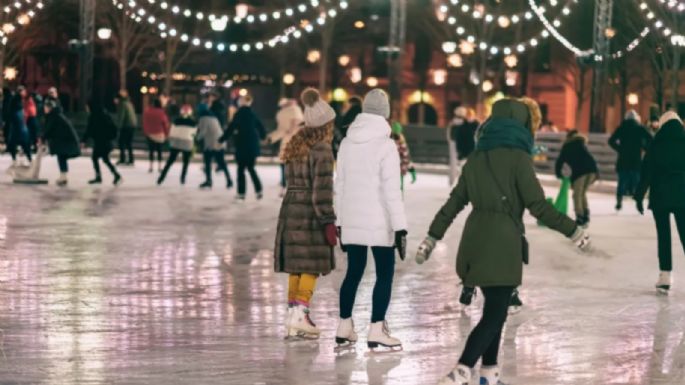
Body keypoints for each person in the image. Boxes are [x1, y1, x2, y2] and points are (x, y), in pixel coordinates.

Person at [414, 98, 591, 385]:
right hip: (503, 244)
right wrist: (574, 231)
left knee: (494, 309)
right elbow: (539, 206)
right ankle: (461, 371)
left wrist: (432, 237)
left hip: (474, 243)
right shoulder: (519, 159)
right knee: (495, 316)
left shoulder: (476, 158)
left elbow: (454, 203)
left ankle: (489, 373)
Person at [334, 89, 408, 353]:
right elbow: (392, 190)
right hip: (380, 223)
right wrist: (400, 227)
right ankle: (376, 329)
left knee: (353, 272)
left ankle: (344, 326)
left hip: (352, 219)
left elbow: (339, 186)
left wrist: (340, 222)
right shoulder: (385, 145)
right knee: (384, 274)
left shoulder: (346, 142)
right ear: (385, 114)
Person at [274, 88, 337, 340]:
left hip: (291, 209)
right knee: (310, 266)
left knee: (296, 267)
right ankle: (301, 313)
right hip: (310, 213)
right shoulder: (322, 150)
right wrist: (328, 221)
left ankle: (293, 316)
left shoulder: (297, 144)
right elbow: (321, 191)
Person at [634, 111, 685, 295]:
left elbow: (646, 172)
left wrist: (639, 196)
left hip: (660, 196)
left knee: (664, 236)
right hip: (682, 196)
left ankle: (665, 277)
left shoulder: (655, 144)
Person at [221, 94, 266, 200]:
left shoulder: (238, 114)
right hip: (252, 145)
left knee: (241, 170)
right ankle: (259, 190)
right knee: (251, 168)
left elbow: (231, 128)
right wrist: (263, 137)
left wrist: (222, 139)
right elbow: (261, 127)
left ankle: (241, 193)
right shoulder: (253, 114)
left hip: (241, 145)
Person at [609, 110, 652, 211]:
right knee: (637, 183)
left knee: (621, 182)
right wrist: (644, 147)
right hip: (636, 160)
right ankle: (638, 203)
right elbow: (651, 139)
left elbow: (611, 141)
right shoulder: (640, 128)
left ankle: (619, 202)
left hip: (623, 160)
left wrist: (619, 149)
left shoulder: (621, 128)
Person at [555, 130, 599, 227]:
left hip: (581, 172)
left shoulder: (567, 145)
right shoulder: (581, 144)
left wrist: (558, 174)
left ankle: (580, 217)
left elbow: (560, 161)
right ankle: (585, 215)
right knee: (582, 193)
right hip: (592, 171)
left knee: (577, 195)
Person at [267, 98, 304, 196]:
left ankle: (288, 186)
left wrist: (272, 137)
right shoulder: (292, 112)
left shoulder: (292, 111)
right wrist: (272, 137)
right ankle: (287, 186)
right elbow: (283, 129)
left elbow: (289, 126)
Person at [82, 100, 122, 186]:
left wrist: (83, 140)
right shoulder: (105, 114)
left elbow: (89, 129)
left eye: (87, 107)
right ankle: (115, 175)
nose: (86, 109)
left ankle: (99, 177)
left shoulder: (94, 116)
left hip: (101, 142)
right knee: (105, 159)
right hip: (106, 141)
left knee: (95, 158)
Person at [43, 99, 81, 186]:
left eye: (45, 107)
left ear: (49, 108)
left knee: (61, 156)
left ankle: (63, 177)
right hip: (65, 141)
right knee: (61, 157)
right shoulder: (57, 115)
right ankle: (63, 176)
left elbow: (49, 129)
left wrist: (42, 138)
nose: (44, 109)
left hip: (66, 141)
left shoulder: (54, 116)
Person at [158, 104, 197, 186]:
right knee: (185, 162)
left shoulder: (176, 120)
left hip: (176, 142)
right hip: (187, 143)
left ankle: (161, 178)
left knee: (170, 161)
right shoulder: (193, 122)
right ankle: (182, 178)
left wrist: (171, 140)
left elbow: (172, 132)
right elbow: (194, 133)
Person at [196, 103, 232, 189]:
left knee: (208, 162)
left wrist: (196, 138)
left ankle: (209, 181)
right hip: (220, 142)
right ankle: (229, 180)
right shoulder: (214, 117)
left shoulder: (203, 118)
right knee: (221, 162)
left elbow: (203, 131)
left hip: (211, 143)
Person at [142, 98, 170, 173]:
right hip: (160, 134)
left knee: (151, 151)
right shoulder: (162, 112)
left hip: (150, 133)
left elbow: (145, 122)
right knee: (159, 151)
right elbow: (165, 124)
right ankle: (159, 167)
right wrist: (167, 134)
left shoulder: (147, 111)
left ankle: (151, 167)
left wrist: (146, 131)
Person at [6, 90, 32, 167]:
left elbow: (11, 118)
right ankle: (29, 159)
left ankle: (15, 160)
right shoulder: (19, 107)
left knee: (13, 145)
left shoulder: (15, 107)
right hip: (21, 130)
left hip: (17, 130)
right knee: (25, 145)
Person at [390, 121, 416, 190]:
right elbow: (406, 158)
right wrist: (412, 171)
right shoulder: (400, 143)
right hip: (392, 173)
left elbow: (406, 158)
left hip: (395, 173)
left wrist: (412, 170)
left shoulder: (393, 142)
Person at [115, 90, 137, 165]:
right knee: (128, 143)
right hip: (132, 125)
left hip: (126, 125)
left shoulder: (122, 104)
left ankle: (123, 158)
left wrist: (118, 127)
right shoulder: (128, 103)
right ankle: (131, 159)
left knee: (121, 142)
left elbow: (122, 116)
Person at [18, 86, 39, 152]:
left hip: (30, 118)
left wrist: (25, 118)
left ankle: (33, 146)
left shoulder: (27, 99)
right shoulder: (25, 99)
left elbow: (29, 110)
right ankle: (30, 146)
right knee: (30, 133)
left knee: (31, 133)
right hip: (29, 118)